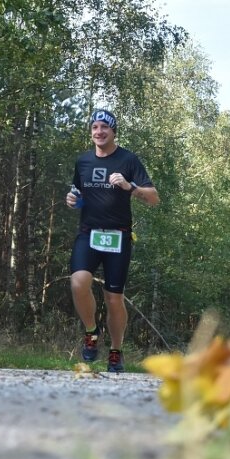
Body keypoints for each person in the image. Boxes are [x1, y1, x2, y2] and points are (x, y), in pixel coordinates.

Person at [66, 109, 160, 373]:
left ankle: (116, 351)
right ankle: (91, 333)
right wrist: (72, 199)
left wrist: (130, 187)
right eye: (94, 127)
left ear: (113, 131)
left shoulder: (128, 159)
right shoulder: (83, 161)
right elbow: (78, 193)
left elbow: (154, 198)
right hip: (89, 233)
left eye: (104, 128)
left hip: (118, 236)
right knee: (78, 282)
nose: (99, 132)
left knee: (114, 298)